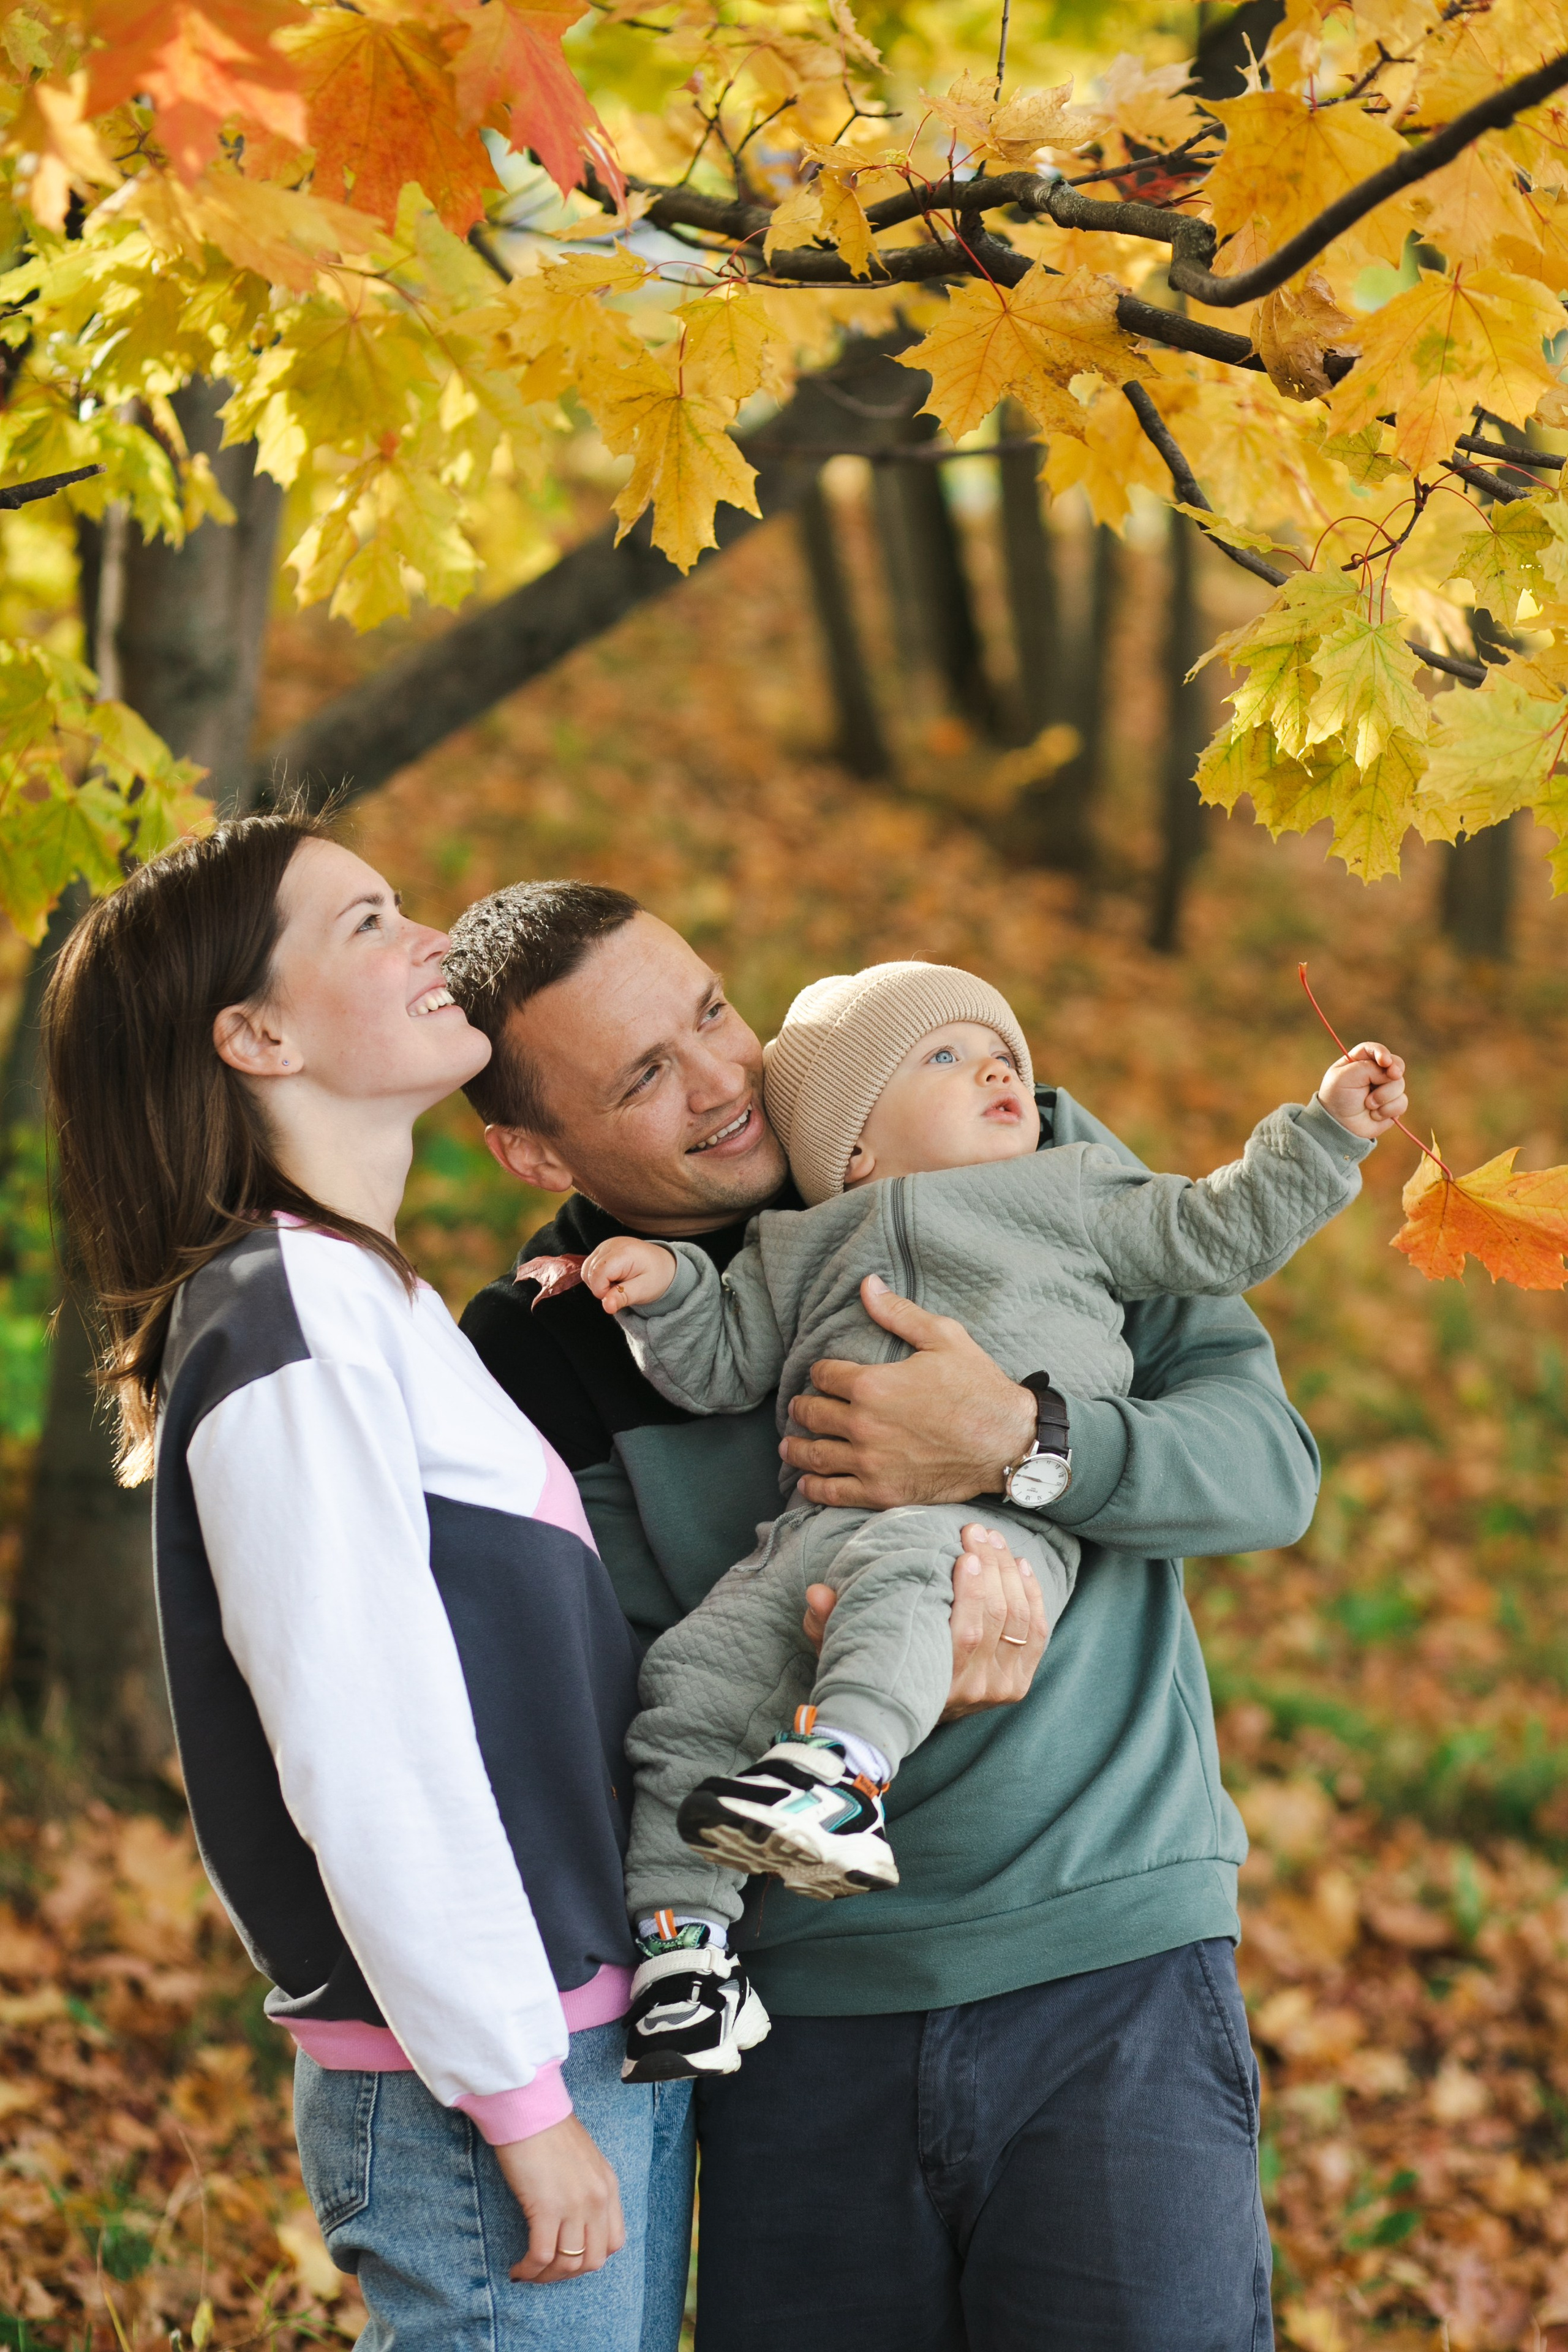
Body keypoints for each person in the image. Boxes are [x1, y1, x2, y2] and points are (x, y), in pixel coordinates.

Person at [448, 880, 1325, 2352]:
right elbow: (606, 1698)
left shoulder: (982, 1133)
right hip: (801, 2018)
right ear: (532, 1148)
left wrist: (1022, 1444)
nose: (725, 1084)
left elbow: (1265, 1473)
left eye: (710, 1012)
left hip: (1102, 1958)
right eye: (641, 1077)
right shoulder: (545, 1348)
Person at [42, 820, 694, 2352]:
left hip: (561, 2038)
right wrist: (521, 2104)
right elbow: (366, 1743)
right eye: (368, 923)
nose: (430, 940)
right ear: (255, 1035)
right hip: (482, 2080)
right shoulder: (283, 1319)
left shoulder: (361, 1301)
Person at [571, 958, 1401, 2079]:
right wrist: (666, 1294)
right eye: (945, 1057)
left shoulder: (1073, 1192)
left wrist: (1324, 1132)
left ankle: (844, 1774)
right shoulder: (793, 1247)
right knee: (697, 1678)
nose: (998, 1066)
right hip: (814, 1529)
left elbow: (1220, 1231)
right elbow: (720, 1365)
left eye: (999, 1046)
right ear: (852, 1148)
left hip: (985, 1525)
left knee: (916, 1585)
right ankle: (688, 1954)